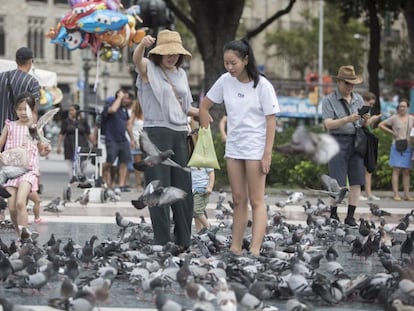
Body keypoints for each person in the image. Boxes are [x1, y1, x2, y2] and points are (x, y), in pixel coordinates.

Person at [199, 39, 279, 257]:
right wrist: (205, 133)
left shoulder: (262, 85)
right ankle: (235, 246)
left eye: (233, 63)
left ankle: (254, 249)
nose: (229, 67)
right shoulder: (225, 81)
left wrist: (266, 154)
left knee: (256, 200)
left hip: (255, 148)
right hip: (234, 148)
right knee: (237, 199)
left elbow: (271, 121)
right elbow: (205, 106)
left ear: (245, 60)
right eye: (226, 63)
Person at [133, 29, 199, 251]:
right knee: (157, 188)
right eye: (167, 52)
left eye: (175, 53)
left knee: (183, 189)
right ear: (158, 53)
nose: (171, 56)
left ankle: (183, 240)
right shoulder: (148, 69)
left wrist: (204, 113)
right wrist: (142, 45)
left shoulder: (181, 74)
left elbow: (186, 106)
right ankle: (161, 240)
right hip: (156, 133)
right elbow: (136, 60)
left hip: (180, 132)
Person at [322, 65, 376, 226]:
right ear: (339, 82)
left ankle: (350, 216)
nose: (350, 87)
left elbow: (363, 124)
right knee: (336, 182)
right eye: (347, 83)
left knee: (357, 180)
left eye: (352, 83)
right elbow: (328, 124)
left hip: (356, 141)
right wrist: (347, 119)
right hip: (337, 141)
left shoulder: (359, 98)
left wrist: (366, 120)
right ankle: (333, 214)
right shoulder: (329, 100)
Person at [0, 93, 51, 239]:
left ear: (32, 110)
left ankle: (25, 237)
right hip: (10, 170)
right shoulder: (9, 126)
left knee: (21, 202)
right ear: (15, 110)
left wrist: (45, 149)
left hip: (28, 170)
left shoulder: (33, 129)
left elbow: (41, 150)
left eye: (26, 109)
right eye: (20, 109)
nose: (23, 112)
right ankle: (19, 234)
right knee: (11, 207)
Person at [0, 47, 40, 221]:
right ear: (30, 62)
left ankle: (2, 213)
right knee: (20, 170)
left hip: (3, 131)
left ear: (16, 60)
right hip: (20, 137)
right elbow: (34, 113)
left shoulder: (1, 77)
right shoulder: (32, 82)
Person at [378, 98, 414, 201]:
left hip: (408, 146)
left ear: (408, 107)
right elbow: (381, 125)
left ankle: (407, 194)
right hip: (396, 145)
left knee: (406, 171)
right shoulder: (394, 118)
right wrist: (392, 133)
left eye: (404, 106)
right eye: (400, 106)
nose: (402, 108)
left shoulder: (411, 118)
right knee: (396, 169)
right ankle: (396, 194)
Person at [101, 90, 135, 191]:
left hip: (123, 140)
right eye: (125, 98)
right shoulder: (110, 106)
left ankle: (121, 185)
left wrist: (132, 139)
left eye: (128, 98)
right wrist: (119, 98)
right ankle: (101, 174)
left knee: (124, 162)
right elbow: (113, 110)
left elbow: (128, 124)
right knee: (110, 162)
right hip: (111, 139)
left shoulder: (124, 110)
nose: (127, 100)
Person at [57, 104, 95, 183]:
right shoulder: (66, 121)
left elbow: (88, 133)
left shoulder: (83, 121)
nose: (71, 112)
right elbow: (61, 134)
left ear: (78, 111)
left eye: (72, 110)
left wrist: (94, 143)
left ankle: (82, 176)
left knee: (84, 162)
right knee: (70, 163)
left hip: (82, 144)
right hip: (70, 145)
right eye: (70, 110)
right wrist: (59, 146)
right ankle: (72, 178)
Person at [359, 91, 382, 201]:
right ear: (364, 100)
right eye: (370, 103)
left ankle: (368, 193)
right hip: (360, 140)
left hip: (367, 139)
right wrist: (371, 120)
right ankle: (358, 192)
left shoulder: (366, 111)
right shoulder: (359, 109)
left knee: (368, 167)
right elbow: (362, 124)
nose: (371, 106)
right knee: (359, 166)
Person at [127, 99, 144, 192]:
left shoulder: (148, 114)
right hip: (137, 141)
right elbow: (129, 125)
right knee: (137, 164)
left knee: (148, 163)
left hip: (147, 143)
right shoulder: (134, 114)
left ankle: (145, 182)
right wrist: (132, 138)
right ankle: (138, 184)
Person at [191, 167, 215, 233]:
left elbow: (211, 173)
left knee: (197, 211)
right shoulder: (191, 159)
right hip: (193, 189)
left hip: (202, 189)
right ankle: (199, 232)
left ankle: (208, 227)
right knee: (196, 214)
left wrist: (210, 187)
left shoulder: (205, 159)